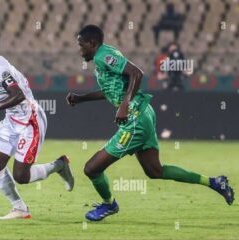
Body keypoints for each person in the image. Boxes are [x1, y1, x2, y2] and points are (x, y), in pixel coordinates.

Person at [66, 25, 234, 222]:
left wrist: (124, 105)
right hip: (142, 113)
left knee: (91, 168)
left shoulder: (104, 55)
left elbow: (137, 73)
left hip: (135, 117)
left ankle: (109, 203)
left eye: (81, 45)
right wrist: (81, 98)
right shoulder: (102, 58)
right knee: (156, 171)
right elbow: (110, 91)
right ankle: (215, 182)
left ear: (92, 43)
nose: (80, 50)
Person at [0, 29, 74, 219]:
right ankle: (19, 208)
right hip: (11, 119)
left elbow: (18, 95)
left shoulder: (0, 68)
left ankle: (59, 165)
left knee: (21, 176)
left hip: (30, 119)